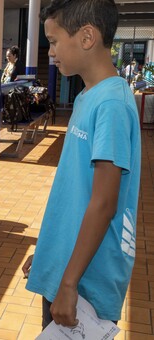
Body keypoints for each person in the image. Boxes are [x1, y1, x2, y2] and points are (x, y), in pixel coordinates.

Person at [22, 0, 141, 329]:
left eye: (54, 41)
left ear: (87, 37)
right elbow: (76, 193)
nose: (50, 52)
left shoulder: (112, 104)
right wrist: (50, 254)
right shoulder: (89, 95)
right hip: (68, 266)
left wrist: (70, 282)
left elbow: (104, 204)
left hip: (86, 280)